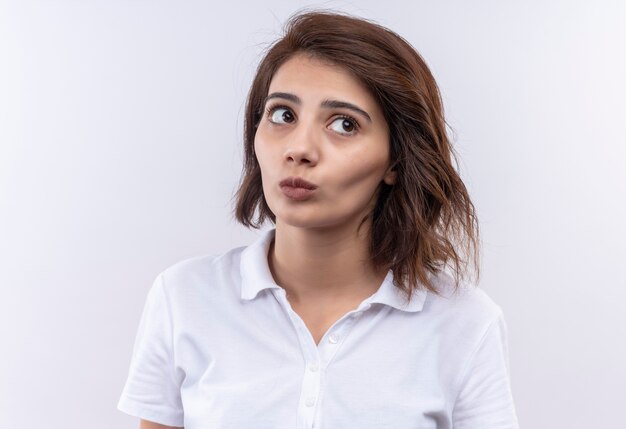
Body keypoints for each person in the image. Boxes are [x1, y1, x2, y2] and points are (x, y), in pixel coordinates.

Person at [117, 9, 519, 429]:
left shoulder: (465, 324)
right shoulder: (184, 298)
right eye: (282, 115)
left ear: (396, 160)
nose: (299, 149)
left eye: (344, 124)